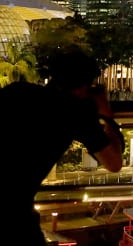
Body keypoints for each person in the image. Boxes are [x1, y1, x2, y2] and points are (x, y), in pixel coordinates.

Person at [0, 46, 124, 245]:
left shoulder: (16, 91)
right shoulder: (77, 113)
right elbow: (114, 163)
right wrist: (107, 116)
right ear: (84, 87)